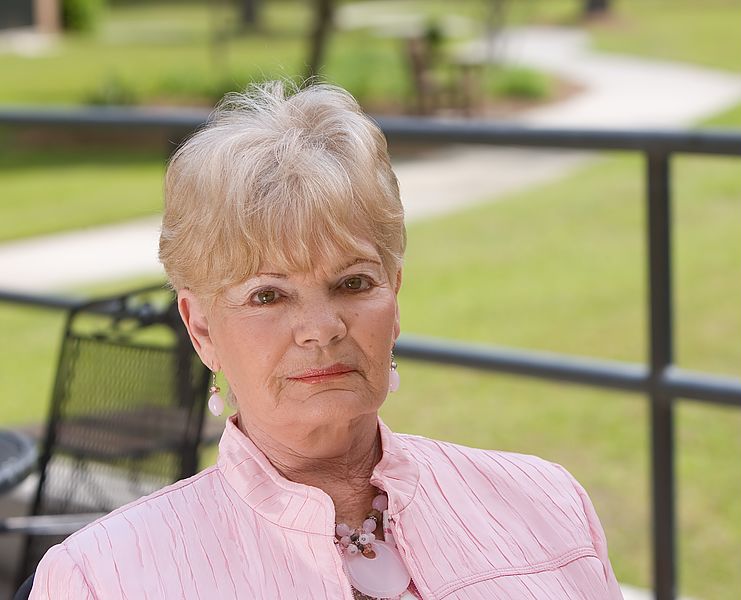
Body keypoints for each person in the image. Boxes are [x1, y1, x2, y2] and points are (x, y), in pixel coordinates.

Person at [30, 81, 623, 599]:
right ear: (201, 328)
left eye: (352, 283)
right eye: (268, 295)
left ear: (393, 298)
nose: (322, 327)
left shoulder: (548, 503)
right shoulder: (101, 578)